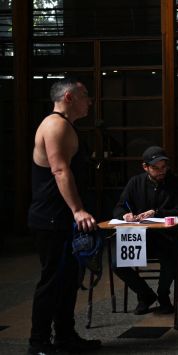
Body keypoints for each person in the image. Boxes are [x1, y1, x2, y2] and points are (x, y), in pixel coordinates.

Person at [27, 77, 102, 354]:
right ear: (69, 97)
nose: (90, 101)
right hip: (51, 218)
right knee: (52, 281)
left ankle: (65, 337)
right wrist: (78, 210)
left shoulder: (67, 126)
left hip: (62, 219)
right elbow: (59, 171)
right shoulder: (55, 125)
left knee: (69, 280)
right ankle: (38, 343)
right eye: (86, 95)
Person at [111, 146, 178, 315]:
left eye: (164, 167)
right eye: (156, 168)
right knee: (117, 264)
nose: (161, 171)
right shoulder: (135, 182)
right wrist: (126, 216)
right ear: (145, 167)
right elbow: (119, 207)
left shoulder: (174, 182)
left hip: (165, 236)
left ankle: (163, 295)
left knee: (172, 258)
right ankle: (145, 295)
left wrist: (156, 212)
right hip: (138, 237)